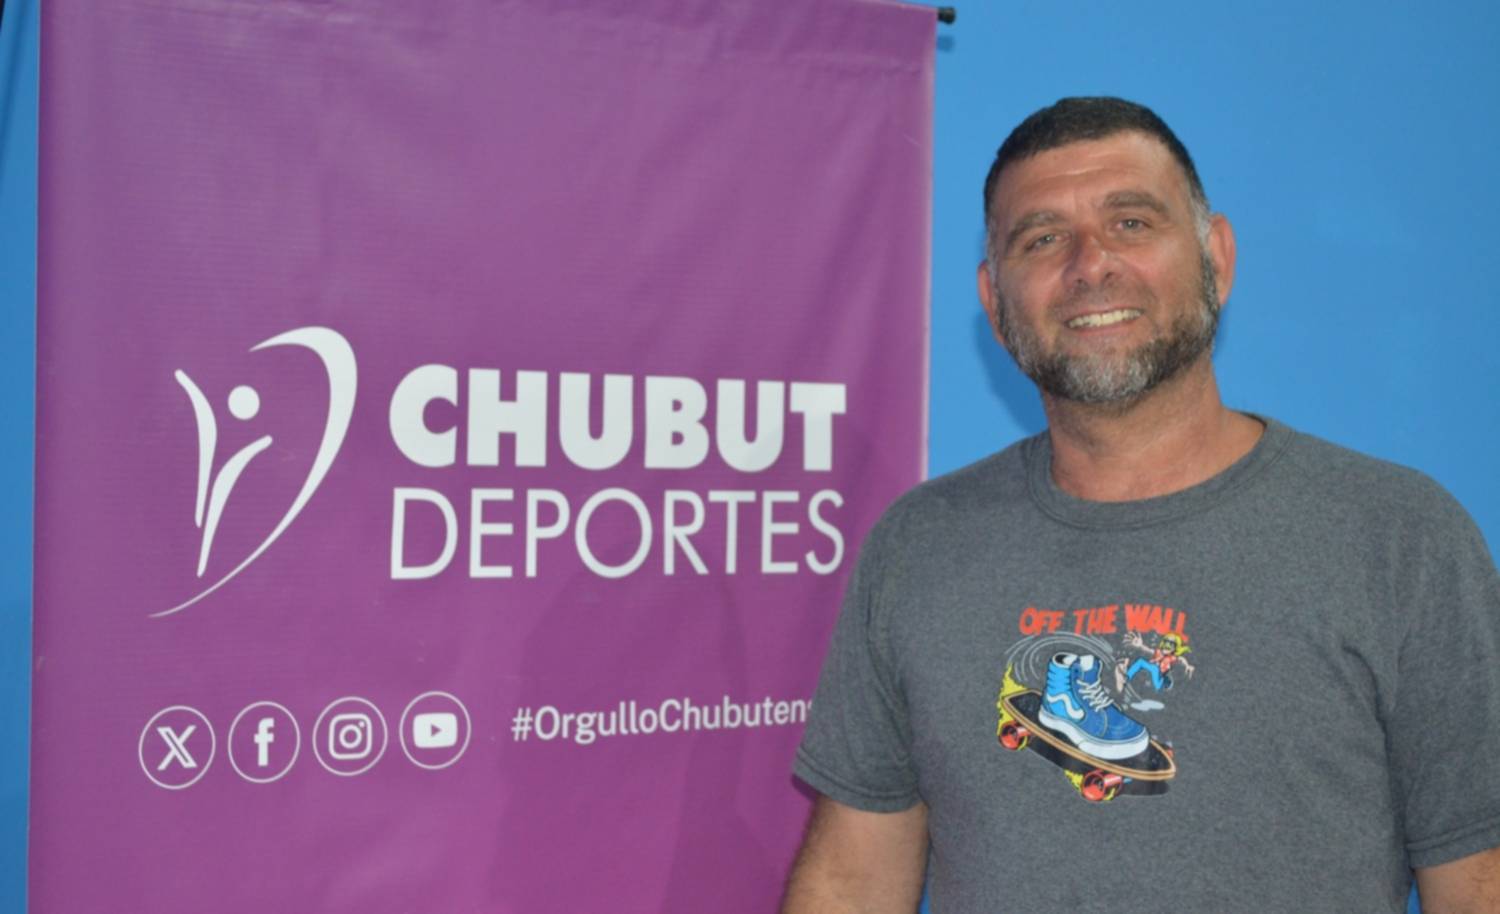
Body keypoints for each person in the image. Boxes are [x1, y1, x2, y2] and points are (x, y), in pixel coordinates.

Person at [781, 97, 1500, 913]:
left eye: (1131, 223)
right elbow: (851, 882)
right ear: (994, 300)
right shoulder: (918, 546)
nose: (1091, 265)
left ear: (1216, 258)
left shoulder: (1399, 538)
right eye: (1042, 239)